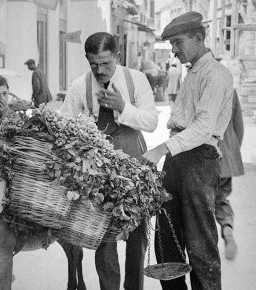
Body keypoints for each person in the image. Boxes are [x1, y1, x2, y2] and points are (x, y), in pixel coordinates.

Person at [141, 12, 234, 290]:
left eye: (178, 42)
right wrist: (167, 154)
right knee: (166, 244)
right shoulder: (191, 71)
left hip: (199, 162)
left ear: (198, 37)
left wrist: (160, 149)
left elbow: (204, 127)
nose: (174, 49)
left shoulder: (216, 75)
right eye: (171, 44)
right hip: (177, 161)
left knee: (200, 249)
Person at [60, 32, 159, 290]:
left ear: (117, 56)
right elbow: (64, 127)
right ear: (87, 60)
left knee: (137, 237)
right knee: (104, 237)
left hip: (135, 170)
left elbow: (151, 122)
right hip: (98, 175)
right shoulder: (79, 86)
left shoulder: (136, 80)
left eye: (106, 63)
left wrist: (123, 107)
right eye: (94, 64)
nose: (100, 70)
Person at [216, 89, 244, 260]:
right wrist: (232, 152)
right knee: (221, 199)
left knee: (201, 207)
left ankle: (208, 246)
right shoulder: (230, 91)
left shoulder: (196, 86)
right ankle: (227, 228)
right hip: (225, 155)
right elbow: (238, 127)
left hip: (202, 157)